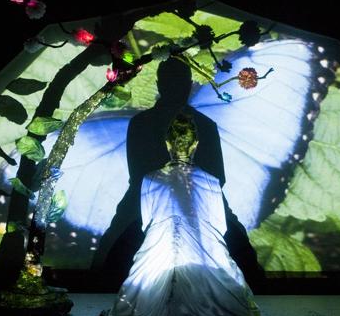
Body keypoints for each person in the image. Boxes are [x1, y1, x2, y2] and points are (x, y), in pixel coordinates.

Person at [93, 59, 264, 290]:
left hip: (145, 195)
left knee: (113, 249)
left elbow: (137, 173)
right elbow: (218, 176)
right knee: (238, 248)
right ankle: (256, 288)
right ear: (189, 84)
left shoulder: (140, 123)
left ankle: (101, 284)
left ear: (158, 84)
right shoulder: (206, 124)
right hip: (198, 194)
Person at [95, 107, 264, 316]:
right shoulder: (211, 182)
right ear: (195, 145)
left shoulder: (150, 179)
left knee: (137, 300)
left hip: (159, 253)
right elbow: (219, 226)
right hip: (203, 254)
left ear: (167, 144)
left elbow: (147, 223)